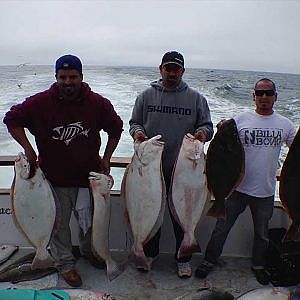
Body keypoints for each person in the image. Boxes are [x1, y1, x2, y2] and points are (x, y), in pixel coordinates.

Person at [3, 54, 123, 287]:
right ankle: (65, 264)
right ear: (56, 77)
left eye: (73, 76)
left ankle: (92, 253)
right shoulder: (39, 103)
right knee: (58, 227)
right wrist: (28, 149)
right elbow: (11, 119)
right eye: (63, 77)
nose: (68, 81)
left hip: (89, 179)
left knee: (91, 225)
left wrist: (106, 159)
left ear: (81, 77)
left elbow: (116, 129)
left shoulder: (98, 104)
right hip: (54, 179)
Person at [195, 78, 296, 285]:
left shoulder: (285, 125)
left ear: (275, 97)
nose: (264, 97)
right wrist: (220, 127)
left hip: (266, 191)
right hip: (236, 189)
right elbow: (222, 149)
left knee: (262, 234)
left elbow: (296, 151)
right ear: (254, 96)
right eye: (260, 93)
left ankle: (258, 265)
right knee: (221, 228)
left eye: (268, 93)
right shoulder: (239, 121)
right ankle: (209, 260)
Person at [129, 51, 214, 278]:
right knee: (152, 213)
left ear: (183, 71)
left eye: (176, 69)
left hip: (185, 173)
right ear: (160, 69)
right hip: (151, 171)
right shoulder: (145, 96)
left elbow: (208, 126)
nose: (172, 72)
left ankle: (183, 257)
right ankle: (149, 253)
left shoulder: (196, 99)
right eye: (168, 68)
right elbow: (135, 123)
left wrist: (202, 134)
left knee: (182, 216)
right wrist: (138, 134)